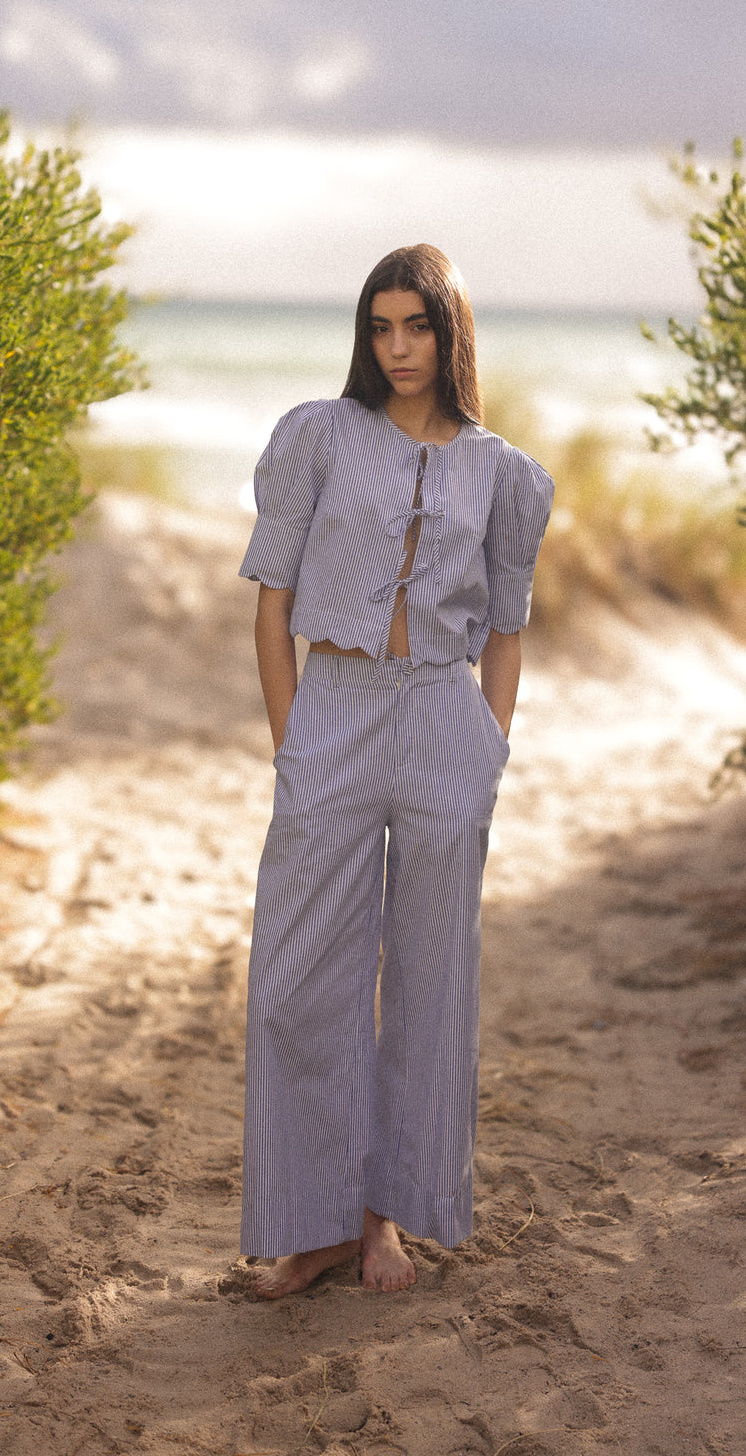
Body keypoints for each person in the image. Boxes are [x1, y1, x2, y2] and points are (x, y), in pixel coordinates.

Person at [238, 243, 554, 1299]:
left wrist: (488, 752)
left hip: (440, 721)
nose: (397, 347)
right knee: (297, 983)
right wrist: (292, 743)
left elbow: (504, 628)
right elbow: (271, 604)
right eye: (379, 326)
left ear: (449, 331)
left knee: (426, 981)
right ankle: (312, 1220)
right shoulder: (317, 437)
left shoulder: (501, 471)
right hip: (332, 713)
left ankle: (380, 1223)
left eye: (416, 325)